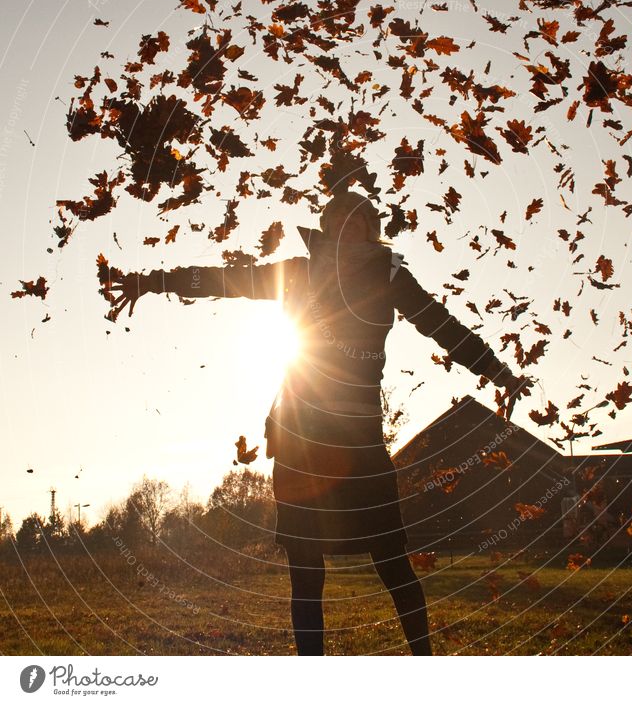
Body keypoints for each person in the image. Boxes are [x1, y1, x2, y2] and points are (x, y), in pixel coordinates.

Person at [109, 190, 531, 655]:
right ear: (326, 226)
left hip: (360, 442)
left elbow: (442, 325)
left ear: (371, 228)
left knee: (394, 563)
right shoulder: (298, 272)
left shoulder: (390, 276)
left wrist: (498, 371)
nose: (347, 228)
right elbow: (225, 280)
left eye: (358, 220)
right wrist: (152, 282)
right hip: (300, 442)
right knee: (306, 571)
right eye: (338, 219)